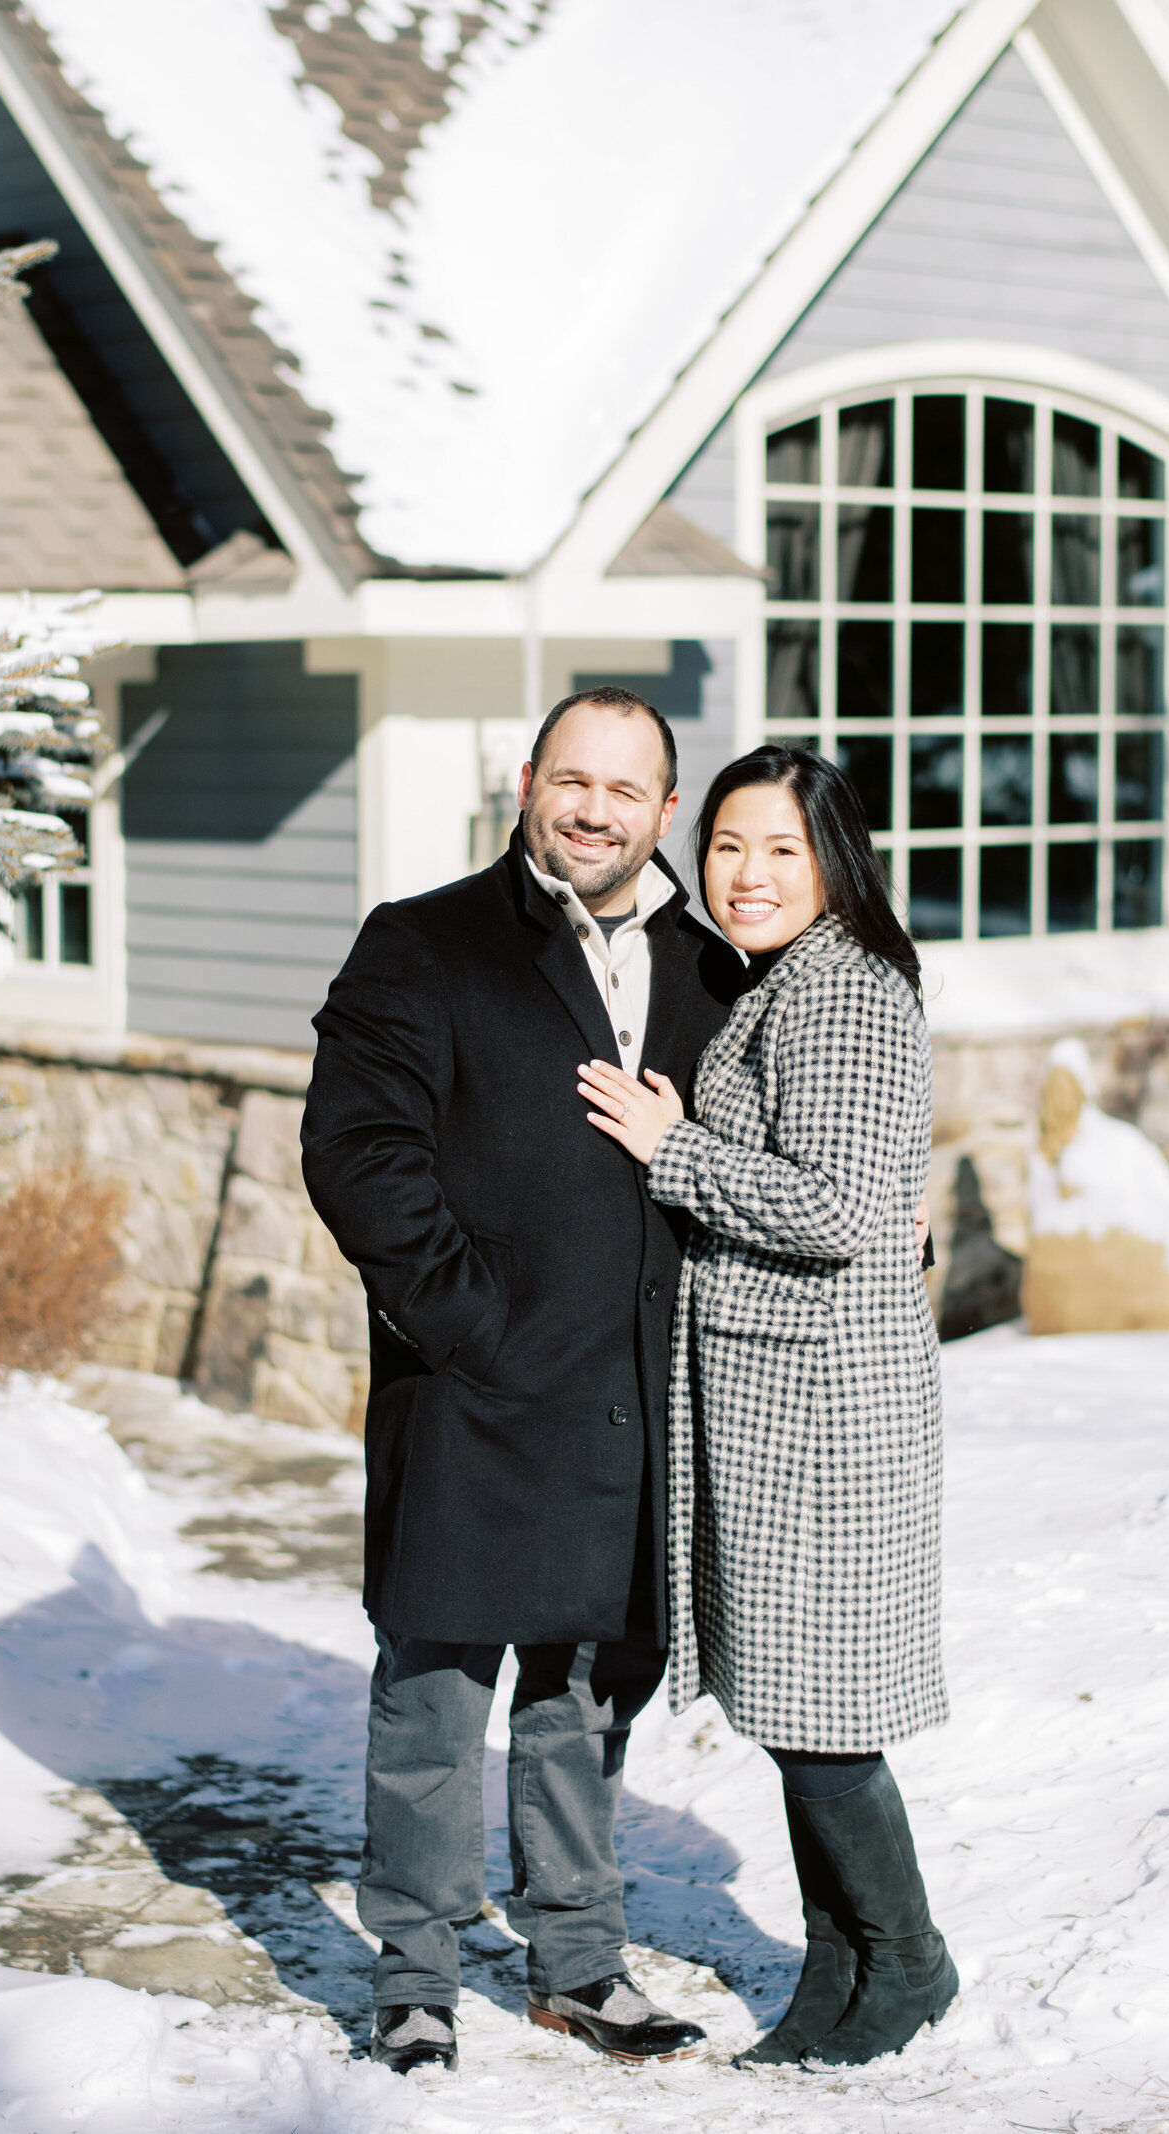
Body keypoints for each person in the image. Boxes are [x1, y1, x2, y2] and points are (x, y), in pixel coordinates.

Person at [300, 687, 743, 2075]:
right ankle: (418, 1972)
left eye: (627, 787)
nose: (596, 806)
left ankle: (578, 1960)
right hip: (475, 1394)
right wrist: (473, 1324)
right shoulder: (424, 941)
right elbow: (359, 1154)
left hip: (634, 1398)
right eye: (574, 777)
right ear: (529, 782)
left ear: (666, 811)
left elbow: (753, 1154)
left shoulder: (710, 967)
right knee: (433, 1698)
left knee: (580, 1704)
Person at [577, 743, 957, 2069]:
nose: (746, 874)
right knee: (805, 1709)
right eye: (730, 846)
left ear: (833, 860)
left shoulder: (841, 992)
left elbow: (848, 1211)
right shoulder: (791, 980)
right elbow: (845, 1176)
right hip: (793, 1399)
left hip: (823, 1412)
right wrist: (707, 1127)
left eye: (779, 849)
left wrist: (669, 1147)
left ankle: (905, 1959)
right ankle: (846, 1966)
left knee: (820, 1717)